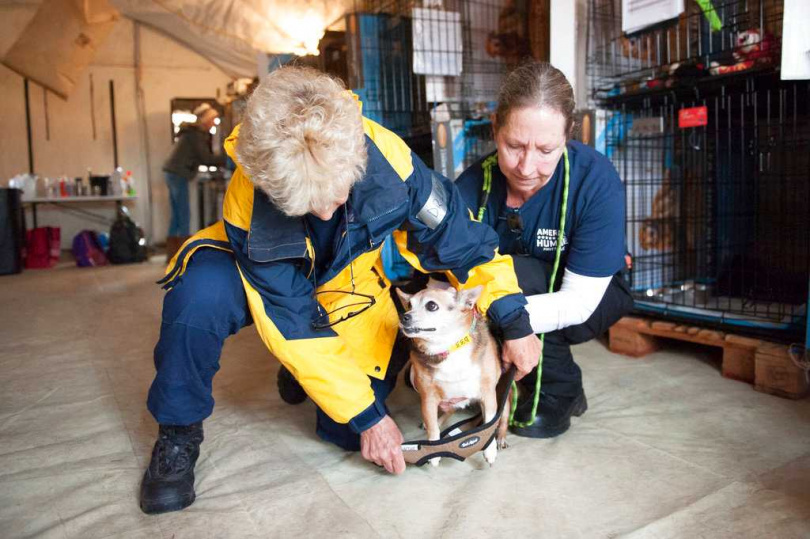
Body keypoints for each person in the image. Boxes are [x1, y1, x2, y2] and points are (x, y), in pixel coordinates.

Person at [139, 66, 542, 515]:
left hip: (347, 284)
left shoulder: (391, 162)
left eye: (335, 195)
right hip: (261, 275)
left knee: (346, 434)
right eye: (309, 204)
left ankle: (302, 375)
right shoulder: (250, 199)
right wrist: (370, 417)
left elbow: (462, 243)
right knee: (198, 296)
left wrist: (514, 320)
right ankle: (178, 432)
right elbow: (292, 321)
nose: (327, 213)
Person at [456, 61, 634, 439]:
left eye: (546, 150)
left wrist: (506, 323)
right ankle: (524, 377)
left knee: (516, 278)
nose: (526, 167)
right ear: (495, 128)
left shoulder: (595, 180)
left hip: (593, 297)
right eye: (514, 146)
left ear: (568, 136)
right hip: (509, 298)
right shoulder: (473, 185)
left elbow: (578, 302)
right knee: (496, 282)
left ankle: (559, 390)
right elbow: (452, 272)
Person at [162, 103, 225, 259]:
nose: (214, 123)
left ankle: (172, 254)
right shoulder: (196, 135)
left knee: (177, 215)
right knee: (184, 214)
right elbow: (206, 158)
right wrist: (229, 157)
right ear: (205, 120)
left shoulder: (191, 132)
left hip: (171, 172)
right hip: (178, 173)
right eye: (213, 119)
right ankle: (184, 255)